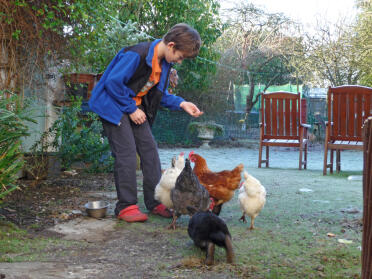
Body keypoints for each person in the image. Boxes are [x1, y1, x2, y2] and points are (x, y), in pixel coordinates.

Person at [88, 23, 203, 222]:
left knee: (150, 151)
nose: (180, 61)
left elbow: (160, 95)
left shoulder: (165, 64)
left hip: (132, 106)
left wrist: (182, 103)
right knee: (126, 153)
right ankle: (126, 206)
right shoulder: (137, 54)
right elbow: (112, 83)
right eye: (180, 56)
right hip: (112, 104)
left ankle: (155, 200)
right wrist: (131, 109)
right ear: (171, 45)